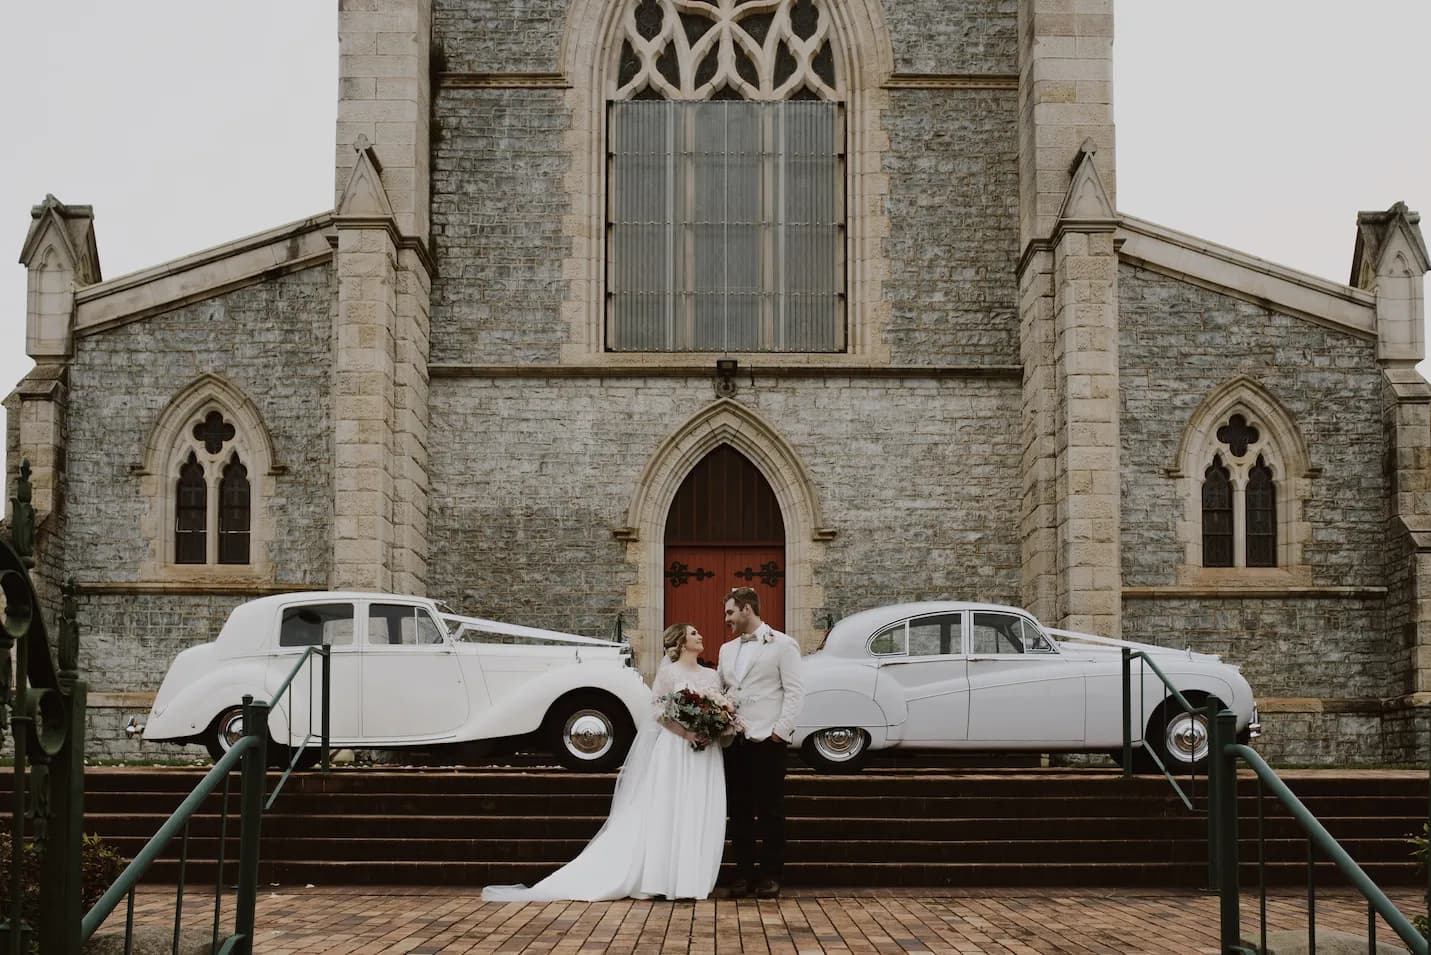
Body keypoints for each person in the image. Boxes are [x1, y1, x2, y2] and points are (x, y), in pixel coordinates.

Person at [481, 623, 726, 901]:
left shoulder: (713, 675)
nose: (701, 635)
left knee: (699, 808)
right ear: (681, 642)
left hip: (706, 752)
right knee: (671, 809)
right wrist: (687, 733)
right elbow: (658, 711)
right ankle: (666, 878)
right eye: (694, 633)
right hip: (675, 749)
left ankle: (693, 879)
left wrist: (712, 730)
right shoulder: (669, 673)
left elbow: (722, 708)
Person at [717, 586, 804, 900]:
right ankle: (742, 874)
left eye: (730, 612)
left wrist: (780, 732)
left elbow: (794, 692)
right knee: (738, 811)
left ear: (746, 609)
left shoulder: (782, 645)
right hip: (734, 741)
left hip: (768, 739)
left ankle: (770, 875)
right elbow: (724, 690)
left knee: (770, 811)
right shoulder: (727, 650)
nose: (726, 618)